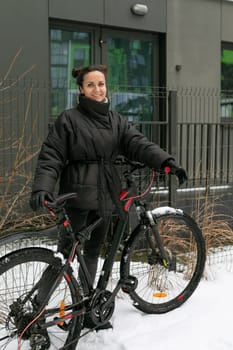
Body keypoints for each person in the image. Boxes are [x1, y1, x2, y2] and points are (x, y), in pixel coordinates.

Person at [30, 64, 187, 330]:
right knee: (65, 255)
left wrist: (166, 162)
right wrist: (42, 187)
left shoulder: (116, 120)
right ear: (81, 89)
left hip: (106, 198)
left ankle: (86, 307)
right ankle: (35, 309)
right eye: (90, 84)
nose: (97, 89)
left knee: (92, 253)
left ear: (106, 87)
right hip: (77, 198)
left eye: (100, 84)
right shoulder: (69, 119)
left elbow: (139, 144)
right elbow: (51, 156)